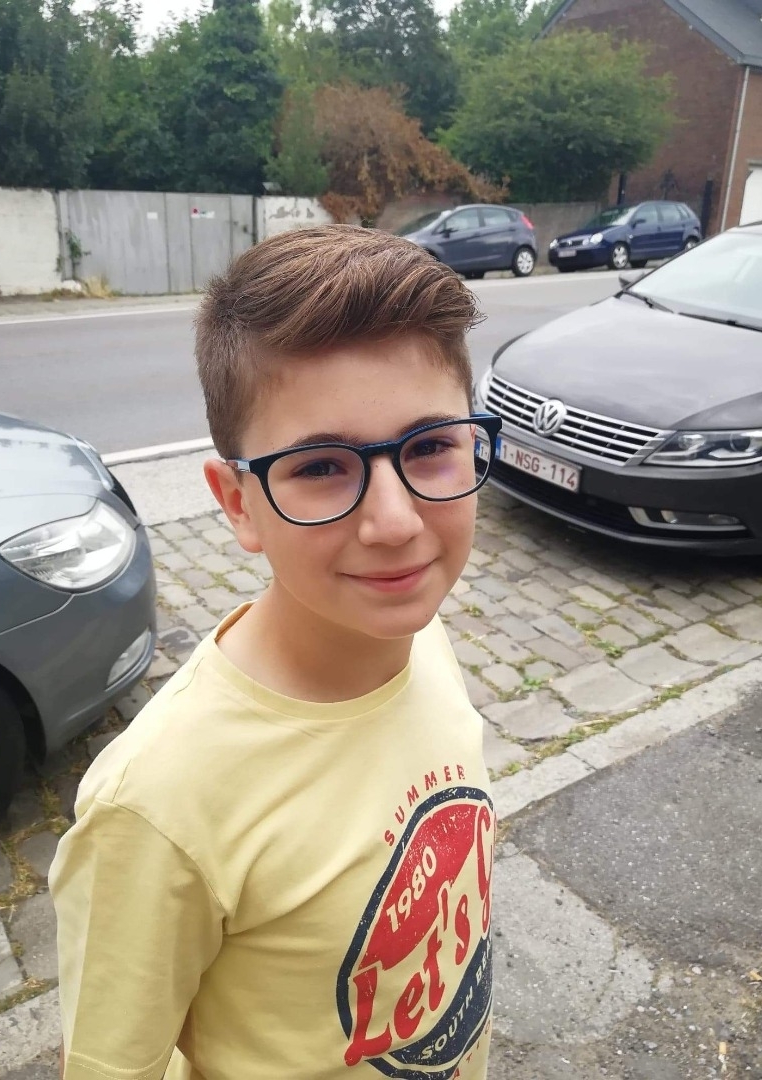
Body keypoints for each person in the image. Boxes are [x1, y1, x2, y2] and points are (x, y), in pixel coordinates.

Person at [50, 224, 501, 1080]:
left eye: (430, 447)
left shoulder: (416, 633)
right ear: (237, 504)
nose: (394, 522)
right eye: (322, 467)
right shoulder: (158, 806)